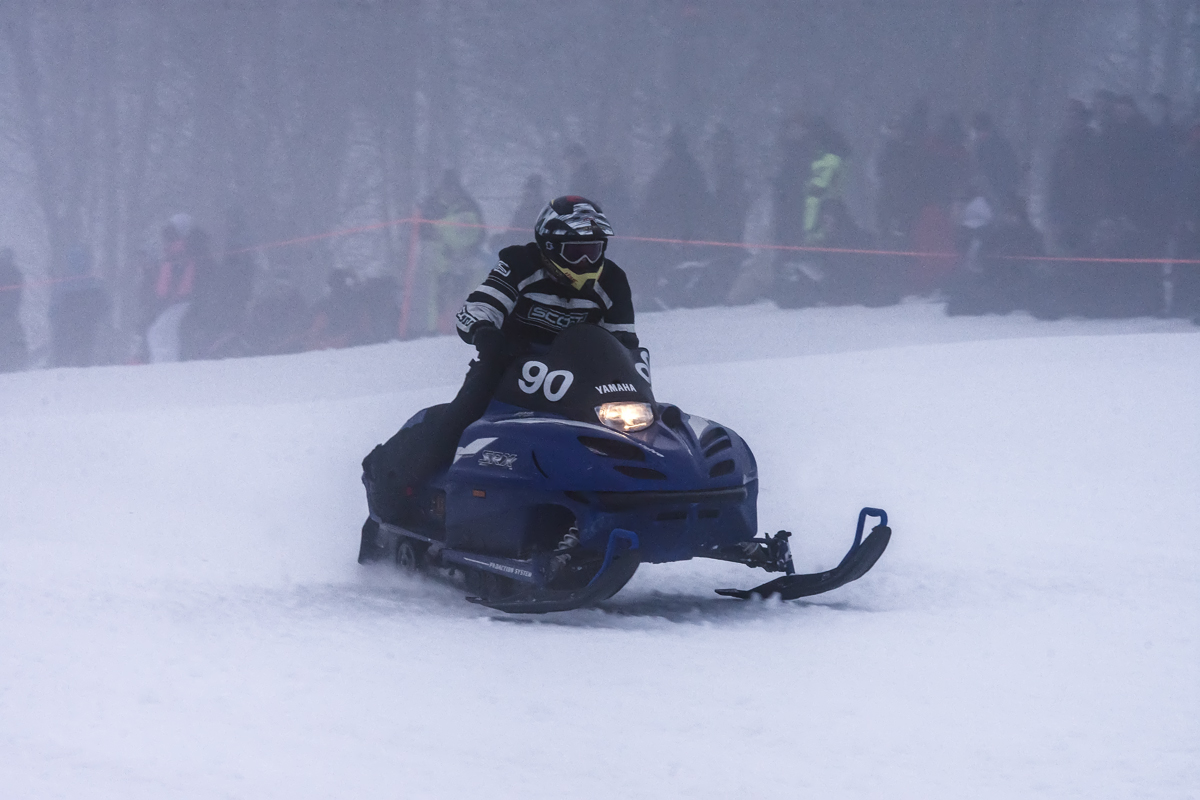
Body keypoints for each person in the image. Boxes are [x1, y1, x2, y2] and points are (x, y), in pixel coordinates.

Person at [365, 196, 637, 516]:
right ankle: (406, 491)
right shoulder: (521, 264)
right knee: (463, 419)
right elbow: (479, 306)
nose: (586, 262)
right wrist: (485, 332)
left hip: (579, 377)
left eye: (594, 250)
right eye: (575, 252)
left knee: (628, 426)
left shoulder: (613, 281)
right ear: (549, 247)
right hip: (508, 367)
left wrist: (634, 374)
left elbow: (624, 341)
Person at [418, 169, 485, 335]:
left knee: (465, 293)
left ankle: (467, 325)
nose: (449, 193)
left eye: (453, 189)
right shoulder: (431, 205)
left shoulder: (468, 205)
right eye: (446, 189)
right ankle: (436, 328)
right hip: (438, 261)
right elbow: (421, 231)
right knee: (436, 297)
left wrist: (468, 250)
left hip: (465, 260)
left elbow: (480, 233)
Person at [49, 244, 111, 367]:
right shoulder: (94, 282)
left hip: (68, 324)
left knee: (67, 354)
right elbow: (105, 304)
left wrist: (53, 315)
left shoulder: (64, 283)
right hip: (87, 323)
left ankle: (65, 370)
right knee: (84, 354)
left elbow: (55, 305)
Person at [0, 248, 27, 373]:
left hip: (9, 315)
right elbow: (17, 295)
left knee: (10, 339)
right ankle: (14, 363)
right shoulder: (15, 272)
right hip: (9, 315)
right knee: (12, 339)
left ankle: (12, 363)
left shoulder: (15, 273)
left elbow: (17, 295)